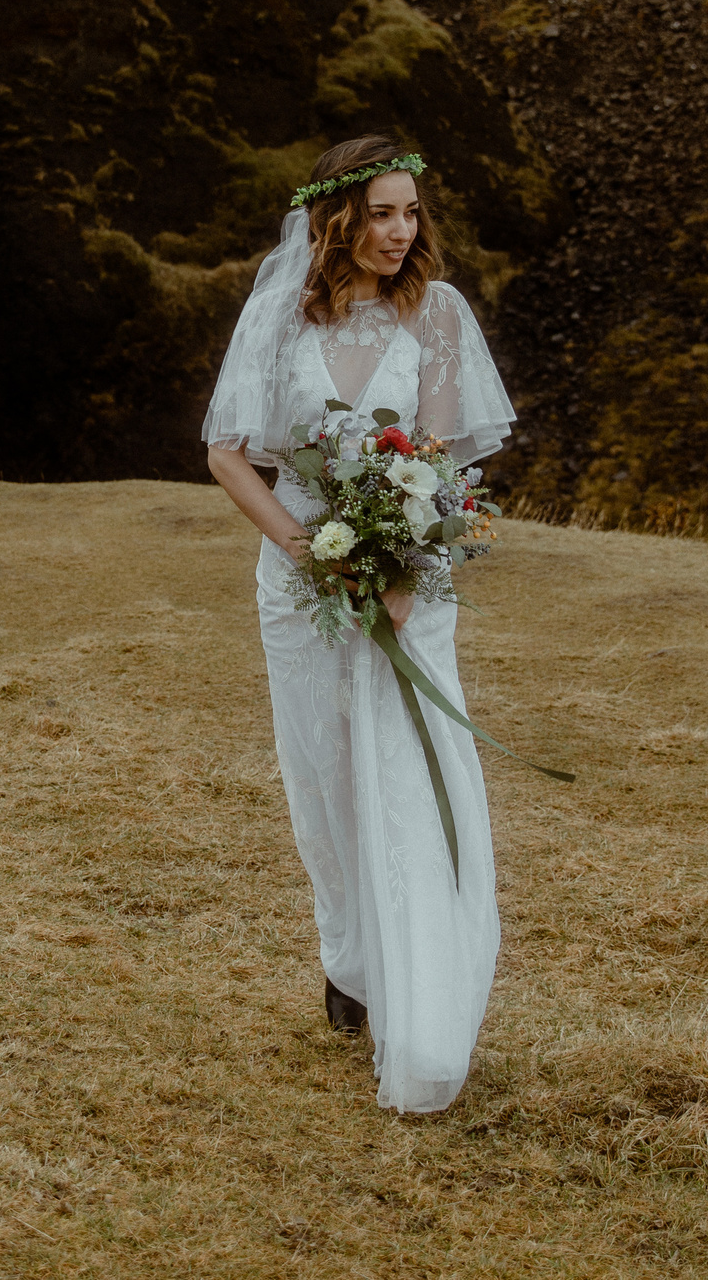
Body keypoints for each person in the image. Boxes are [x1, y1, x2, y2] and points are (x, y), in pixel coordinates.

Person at [200, 134, 517, 1114]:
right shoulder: (272, 320)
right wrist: (305, 548)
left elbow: (438, 462)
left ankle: (425, 994)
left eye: (410, 213)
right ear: (338, 219)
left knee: (412, 768)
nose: (398, 231)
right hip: (299, 580)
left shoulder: (437, 315)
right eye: (381, 213)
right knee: (322, 769)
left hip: (404, 581)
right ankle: (349, 964)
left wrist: (402, 570)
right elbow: (227, 455)